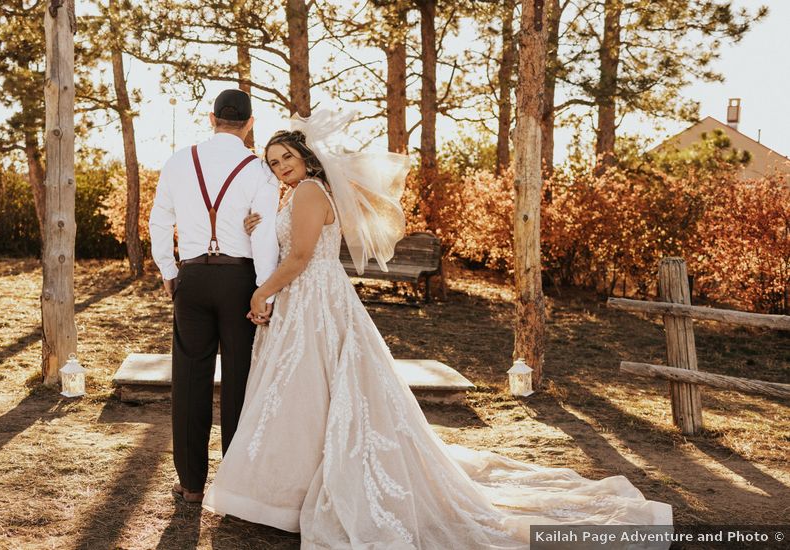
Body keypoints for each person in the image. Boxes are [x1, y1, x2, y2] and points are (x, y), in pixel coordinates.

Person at [202, 110, 672, 548]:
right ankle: (295, 486)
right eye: (273, 161)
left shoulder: (307, 191)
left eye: (287, 157)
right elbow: (295, 244)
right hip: (314, 297)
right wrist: (257, 225)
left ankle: (291, 491)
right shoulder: (304, 192)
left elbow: (302, 257)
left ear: (307, 157)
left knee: (306, 390)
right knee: (315, 393)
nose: (281, 166)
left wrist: (261, 293)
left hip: (314, 299)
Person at [149, 89, 280, 504]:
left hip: (192, 277)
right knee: (240, 379)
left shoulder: (178, 161)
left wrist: (169, 271)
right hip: (240, 279)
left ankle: (190, 485)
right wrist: (264, 290)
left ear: (211, 118)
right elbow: (263, 236)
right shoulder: (260, 170)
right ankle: (234, 488)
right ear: (250, 123)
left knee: (189, 380)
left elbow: (158, 222)